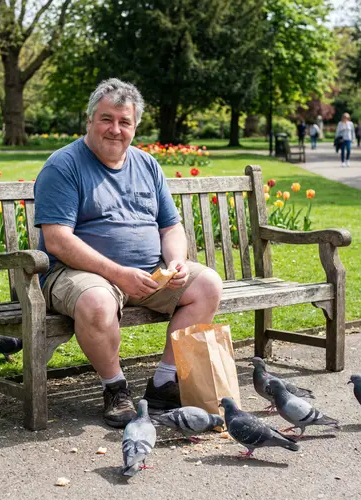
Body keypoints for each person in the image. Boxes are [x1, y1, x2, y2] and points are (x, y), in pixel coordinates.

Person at [34, 78, 223, 429]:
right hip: (76, 273)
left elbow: (170, 226)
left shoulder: (148, 165)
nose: (115, 129)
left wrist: (176, 261)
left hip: (148, 272)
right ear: (89, 120)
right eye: (106, 119)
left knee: (207, 284)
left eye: (125, 122)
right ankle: (115, 388)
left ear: (135, 127)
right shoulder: (63, 166)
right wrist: (118, 274)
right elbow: (58, 240)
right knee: (97, 303)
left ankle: (165, 383)